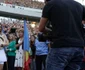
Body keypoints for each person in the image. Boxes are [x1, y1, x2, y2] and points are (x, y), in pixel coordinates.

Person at [39, 0, 85, 70]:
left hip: (60, 46)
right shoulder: (79, 5)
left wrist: (51, 32)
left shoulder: (51, 4)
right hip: (78, 48)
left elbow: (41, 28)